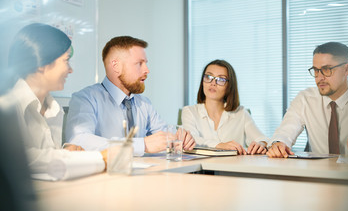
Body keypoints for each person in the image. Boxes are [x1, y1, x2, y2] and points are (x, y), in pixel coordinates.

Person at [1, 23, 107, 179]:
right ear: (41, 64)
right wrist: (100, 157)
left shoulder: (53, 108)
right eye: (66, 61)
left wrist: (64, 152)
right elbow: (24, 158)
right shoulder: (7, 107)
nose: (70, 70)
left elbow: (45, 159)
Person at [65, 36, 196, 155]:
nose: (147, 70)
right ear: (116, 66)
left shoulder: (144, 103)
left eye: (146, 63)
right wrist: (142, 145)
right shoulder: (86, 99)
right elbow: (79, 140)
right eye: (139, 63)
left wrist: (182, 137)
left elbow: (164, 134)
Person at [267, 42, 348, 158]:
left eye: (327, 69)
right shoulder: (305, 99)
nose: (320, 78)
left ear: (347, 69)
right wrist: (278, 144)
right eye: (316, 70)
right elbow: (285, 132)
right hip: (317, 174)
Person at [182, 59, 269, 155]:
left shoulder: (240, 112)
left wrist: (261, 144)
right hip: (201, 168)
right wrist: (220, 145)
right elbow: (191, 140)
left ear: (229, 86)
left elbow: (262, 139)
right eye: (208, 77)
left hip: (233, 168)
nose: (213, 83)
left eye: (221, 79)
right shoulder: (189, 111)